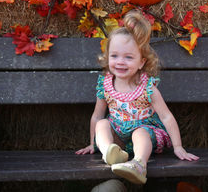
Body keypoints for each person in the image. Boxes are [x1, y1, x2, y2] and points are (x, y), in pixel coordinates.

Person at [76, 10, 199, 185]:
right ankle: (109, 153)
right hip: (119, 138)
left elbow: (166, 116)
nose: (120, 62)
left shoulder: (147, 88)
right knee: (103, 124)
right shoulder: (105, 84)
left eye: (128, 57)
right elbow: (97, 115)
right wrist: (92, 143)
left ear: (141, 62)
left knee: (140, 133)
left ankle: (139, 164)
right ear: (107, 57)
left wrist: (178, 147)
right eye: (114, 56)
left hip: (145, 136)